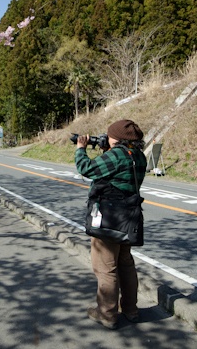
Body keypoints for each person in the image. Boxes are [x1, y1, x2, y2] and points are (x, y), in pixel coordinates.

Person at [75, 119, 148, 330]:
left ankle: (106, 313)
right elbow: (117, 174)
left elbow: (86, 168)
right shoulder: (139, 156)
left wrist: (81, 149)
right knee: (126, 264)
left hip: (108, 219)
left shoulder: (116, 155)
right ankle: (131, 310)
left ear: (116, 138)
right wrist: (106, 149)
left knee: (106, 268)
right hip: (129, 218)